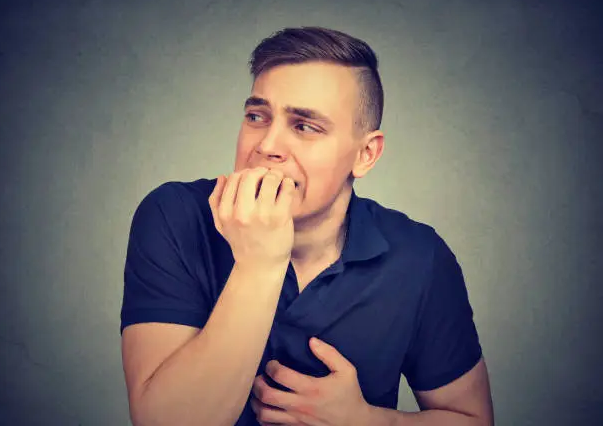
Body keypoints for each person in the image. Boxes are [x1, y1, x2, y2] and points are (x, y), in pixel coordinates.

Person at [120, 26, 494, 426]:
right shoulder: (174, 216)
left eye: (304, 126)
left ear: (366, 155)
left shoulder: (420, 257)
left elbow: (472, 419)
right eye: (256, 116)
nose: (266, 145)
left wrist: (368, 421)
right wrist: (259, 264)